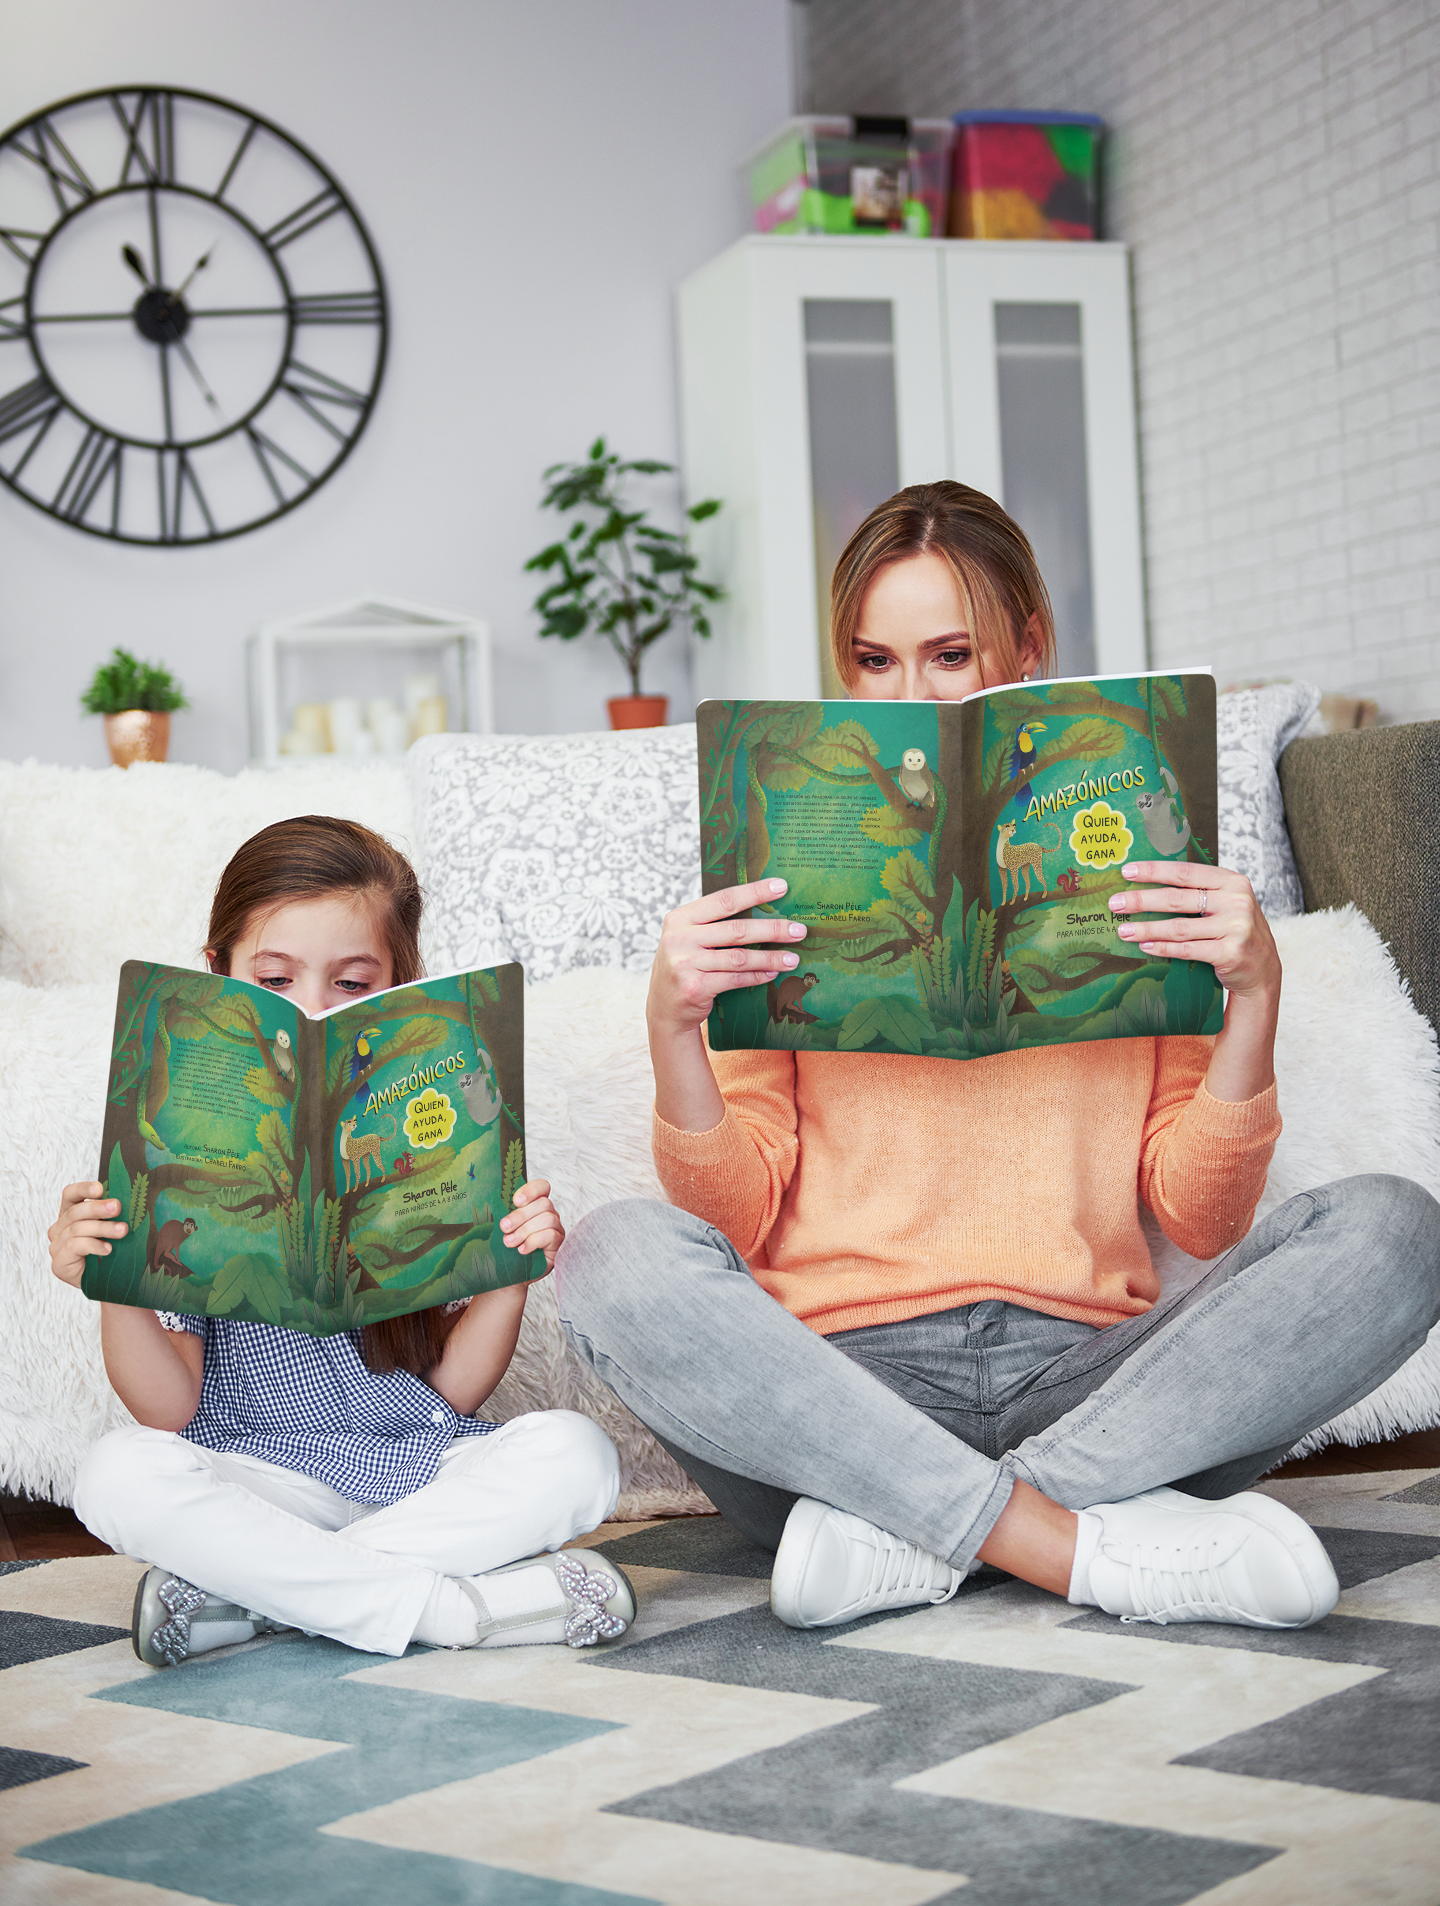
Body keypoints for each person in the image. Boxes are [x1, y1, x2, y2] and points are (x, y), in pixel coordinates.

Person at [556, 481, 1440, 1634]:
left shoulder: (1126, 862)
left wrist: (1255, 997)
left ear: (1027, 652)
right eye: (873, 660)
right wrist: (677, 1029)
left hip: (1101, 1386)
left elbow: (1204, 1217)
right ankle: (1077, 1546)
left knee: (1395, 1230)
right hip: (837, 1399)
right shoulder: (784, 873)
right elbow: (732, 1215)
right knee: (613, 1255)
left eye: (950, 654)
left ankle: (922, 1539)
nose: (910, 694)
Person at [50, 815, 633, 1668]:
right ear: (219, 976)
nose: (313, 1010)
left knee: (579, 1455)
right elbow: (168, 1410)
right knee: (114, 1472)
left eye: (353, 985)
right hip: (258, 1483)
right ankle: (451, 1610)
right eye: (275, 979)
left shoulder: (423, 1132)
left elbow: (451, 1394)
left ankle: (256, 1599)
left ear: (401, 989)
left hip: (422, 1470)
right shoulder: (175, 1146)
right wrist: (118, 1280)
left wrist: (509, 1277)